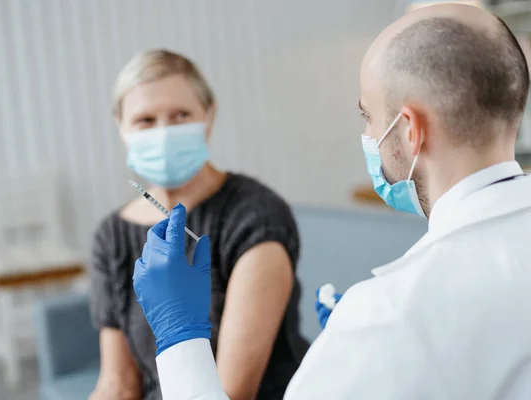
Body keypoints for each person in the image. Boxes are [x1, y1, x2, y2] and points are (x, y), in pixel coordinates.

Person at [132, 4, 531, 399]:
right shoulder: (386, 321)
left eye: (368, 116)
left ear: (410, 129)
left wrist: (178, 334)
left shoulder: (390, 314)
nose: (370, 134)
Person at [88, 49, 309, 400]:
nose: (164, 133)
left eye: (180, 115)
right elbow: (118, 383)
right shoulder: (111, 236)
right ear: (121, 127)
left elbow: (232, 392)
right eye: (145, 120)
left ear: (208, 116)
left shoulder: (254, 216)